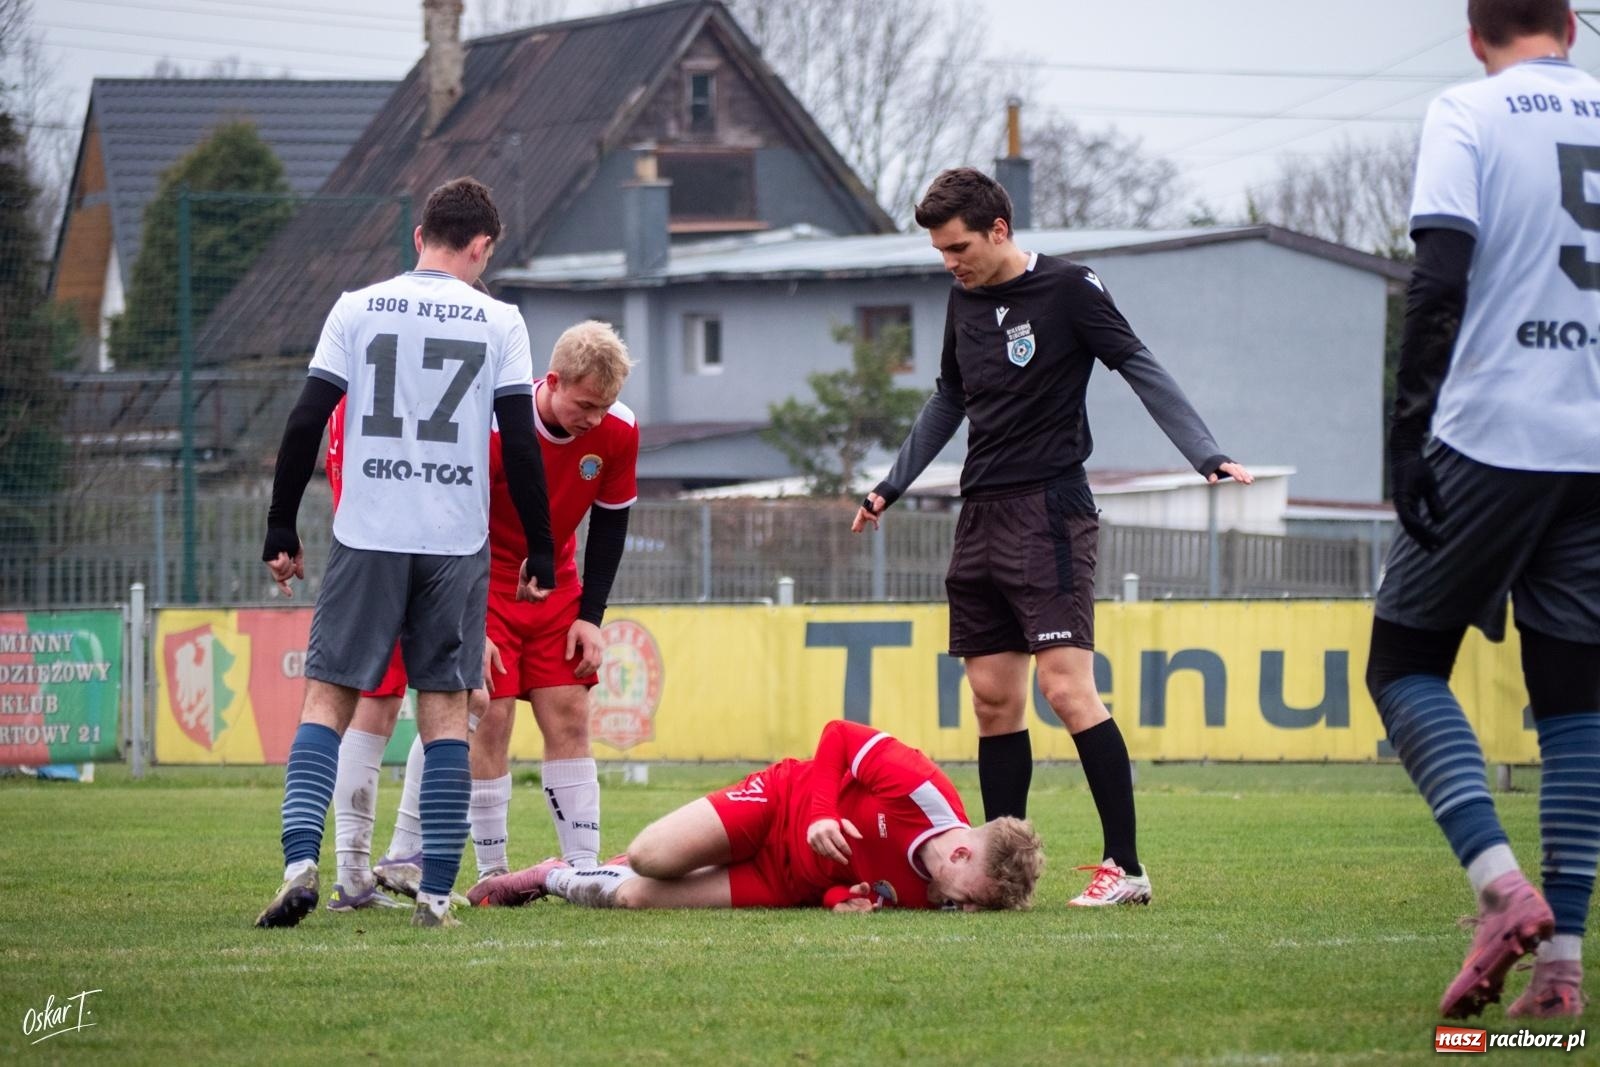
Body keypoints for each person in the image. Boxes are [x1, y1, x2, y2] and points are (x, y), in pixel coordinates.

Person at [851, 167, 1252, 906]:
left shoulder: (1070, 290)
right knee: (992, 701)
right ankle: (998, 879)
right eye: (940, 251)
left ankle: (1125, 867)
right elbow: (950, 397)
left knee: (1066, 690)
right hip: (980, 513)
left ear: (998, 229)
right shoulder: (961, 299)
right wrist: (889, 485)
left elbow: (1138, 364)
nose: (950, 262)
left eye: (959, 246)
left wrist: (1205, 451)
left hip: (1050, 511)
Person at [1365, 0, 1600, 1020]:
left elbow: (1440, 275)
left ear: (1474, 35)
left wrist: (1406, 430)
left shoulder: (1466, 110)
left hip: (1496, 429)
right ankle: (1562, 972)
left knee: (1403, 661)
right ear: (1572, 29)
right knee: (1575, 701)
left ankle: (1503, 890)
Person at [255, 176, 555, 930]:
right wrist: (544, 547)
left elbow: (305, 420)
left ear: (419, 236)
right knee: (446, 712)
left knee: (329, 699)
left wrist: (280, 526)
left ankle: (300, 863)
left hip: (368, 531)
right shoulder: (500, 319)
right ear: (482, 248)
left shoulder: (356, 307)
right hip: (454, 540)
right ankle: (432, 894)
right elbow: (520, 443)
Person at [327, 321, 639, 907]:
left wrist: (590, 615)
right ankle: (494, 872)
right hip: (480, 577)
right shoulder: (491, 426)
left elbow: (612, 521)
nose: (596, 418)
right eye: (586, 404)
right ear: (552, 381)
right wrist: (468, 620)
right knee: (486, 713)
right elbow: (450, 516)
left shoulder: (620, 431)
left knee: (570, 711)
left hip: (556, 585)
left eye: (607, 405)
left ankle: (583, 867)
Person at [470, 719, 1044, 912]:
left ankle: (547, 876)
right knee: (650, 857)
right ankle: (620, 862)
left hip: (780, 881)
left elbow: (853, 883)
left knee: (635, 897)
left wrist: (838, 900)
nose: (964, 909)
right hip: (778, 804)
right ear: (964, 851)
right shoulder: (924, 790)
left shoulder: (936, 896)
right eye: (975, 897)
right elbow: (839, 736)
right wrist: (820, 815)